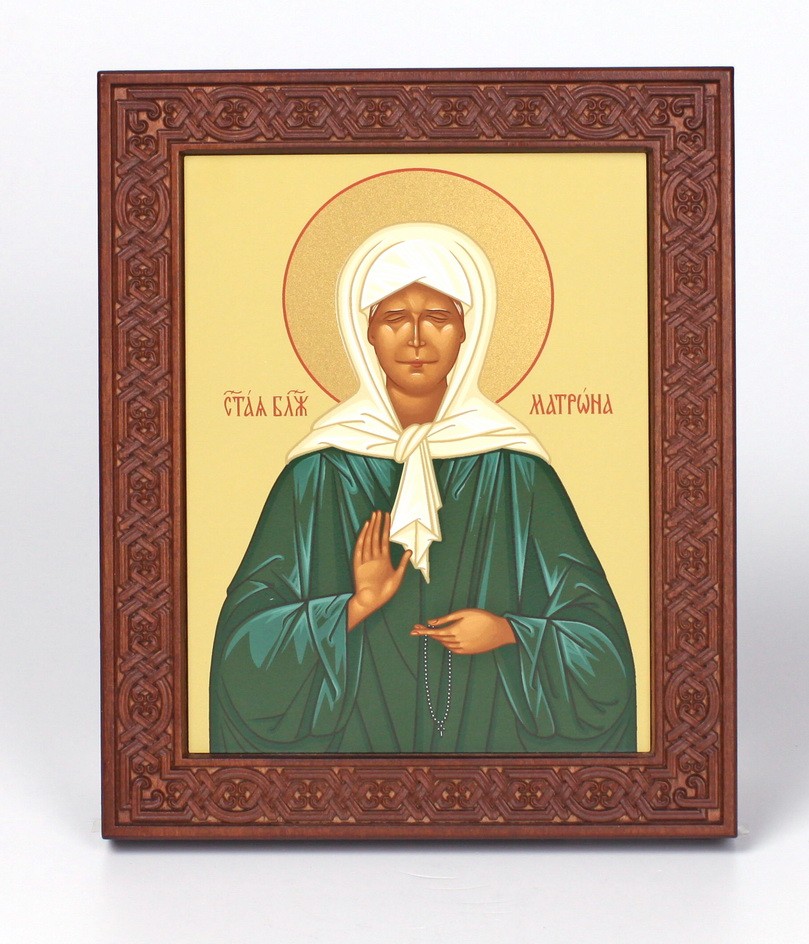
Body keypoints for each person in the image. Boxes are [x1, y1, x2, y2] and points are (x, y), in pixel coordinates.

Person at [209, 222, 636, 753]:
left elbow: (603, 652)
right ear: (365, 332)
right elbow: (241, 654)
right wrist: (353, 607)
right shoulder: (316, 474)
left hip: (490, 746)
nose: (415, 338)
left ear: (467, 331)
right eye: (394, 318)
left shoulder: (517, 472)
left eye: (438, 317)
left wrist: (509, 633)